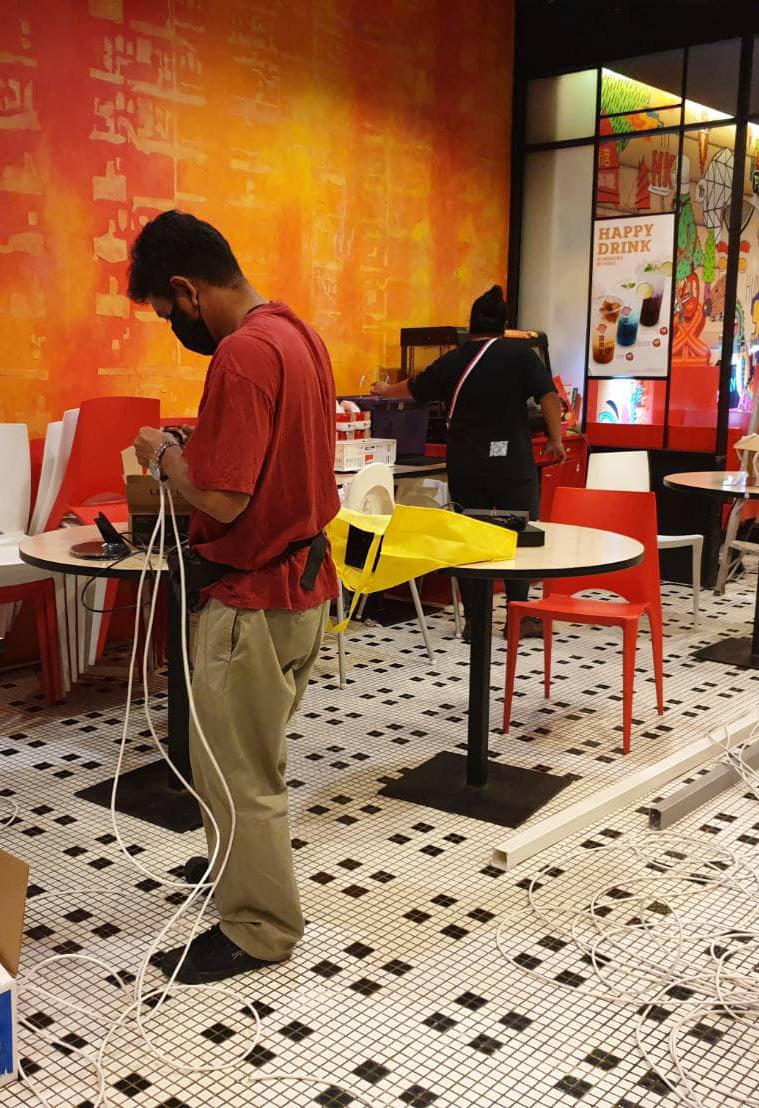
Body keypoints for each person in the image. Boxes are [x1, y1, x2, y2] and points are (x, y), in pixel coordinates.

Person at [129, 210, 339, 984]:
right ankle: (234, 869)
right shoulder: (297, 335)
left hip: (252, 599)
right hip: (303, 586)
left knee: (235, 770)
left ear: (187, 289)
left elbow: (221, 498)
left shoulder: (242, 355)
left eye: (168, 312)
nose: (175, 327)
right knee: (249, 756)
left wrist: (164, 458)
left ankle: (259, 928)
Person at [372, 286, 566, 632]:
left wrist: (385, 390)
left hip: (467, 462)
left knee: (469, 536)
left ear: (471, 324)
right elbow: (548, 396)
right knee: (518, 535)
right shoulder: (521, 355)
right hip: (512, 463)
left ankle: (476, 619)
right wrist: (556, 439)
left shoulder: (455, 358)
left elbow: (415, 388)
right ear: (504, 326)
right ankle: (519, 616)